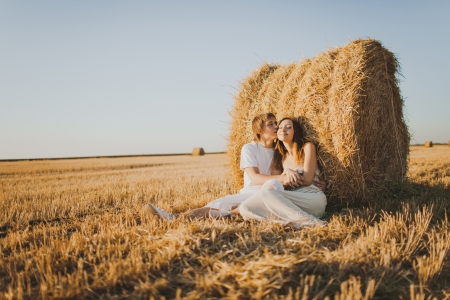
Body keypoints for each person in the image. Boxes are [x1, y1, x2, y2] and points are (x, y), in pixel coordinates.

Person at [143, 113, 304, 220]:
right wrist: (283, 177)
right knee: (218, 205)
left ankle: (174, 218)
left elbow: (288, 172)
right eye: (271, 124)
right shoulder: (249, 148)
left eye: (276, 123)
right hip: (252, 191)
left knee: (218, 207)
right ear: (260, 130)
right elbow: (255, 178)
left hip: (268, 193)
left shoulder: (279, 151)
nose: (277, 127)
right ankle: (174, 218)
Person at [231, 117, 327, 228]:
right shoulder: (279, 157)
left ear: (295, 131)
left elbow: (307, 180)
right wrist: (286, 172)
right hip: (290, 200)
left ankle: (312, 223)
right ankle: (287, 223)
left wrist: (288, 178)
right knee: (246, 208)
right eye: (280, 127)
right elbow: (277, 184)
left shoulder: (307, 147)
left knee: (266, 193)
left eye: (288, 127)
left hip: (311, 197)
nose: (282, 129)